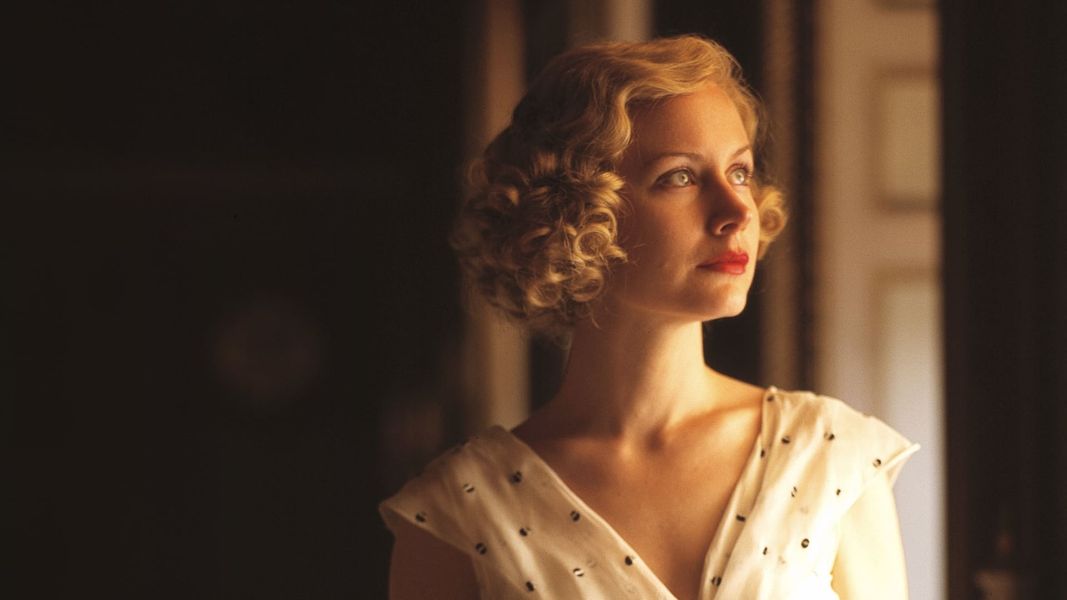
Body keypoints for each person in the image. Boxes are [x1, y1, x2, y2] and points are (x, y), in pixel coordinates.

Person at [379, 35, 919, 599]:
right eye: (679, 177)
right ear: (576, 215)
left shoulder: (830, 456)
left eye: (739, 172)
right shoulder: (461, 515)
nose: (737, 210)